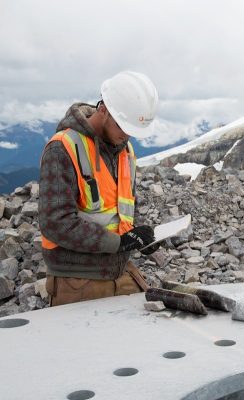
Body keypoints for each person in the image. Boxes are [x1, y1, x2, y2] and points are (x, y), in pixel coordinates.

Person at [39, 71, 160, 306]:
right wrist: (118, 243)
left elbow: (120, 212)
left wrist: (138, 238)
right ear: (103, 109)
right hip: (77, 280)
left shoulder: (125, 151)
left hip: (120, 271)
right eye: (122, 126)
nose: (126, 135)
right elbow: (55, 222)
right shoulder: (62, 148)